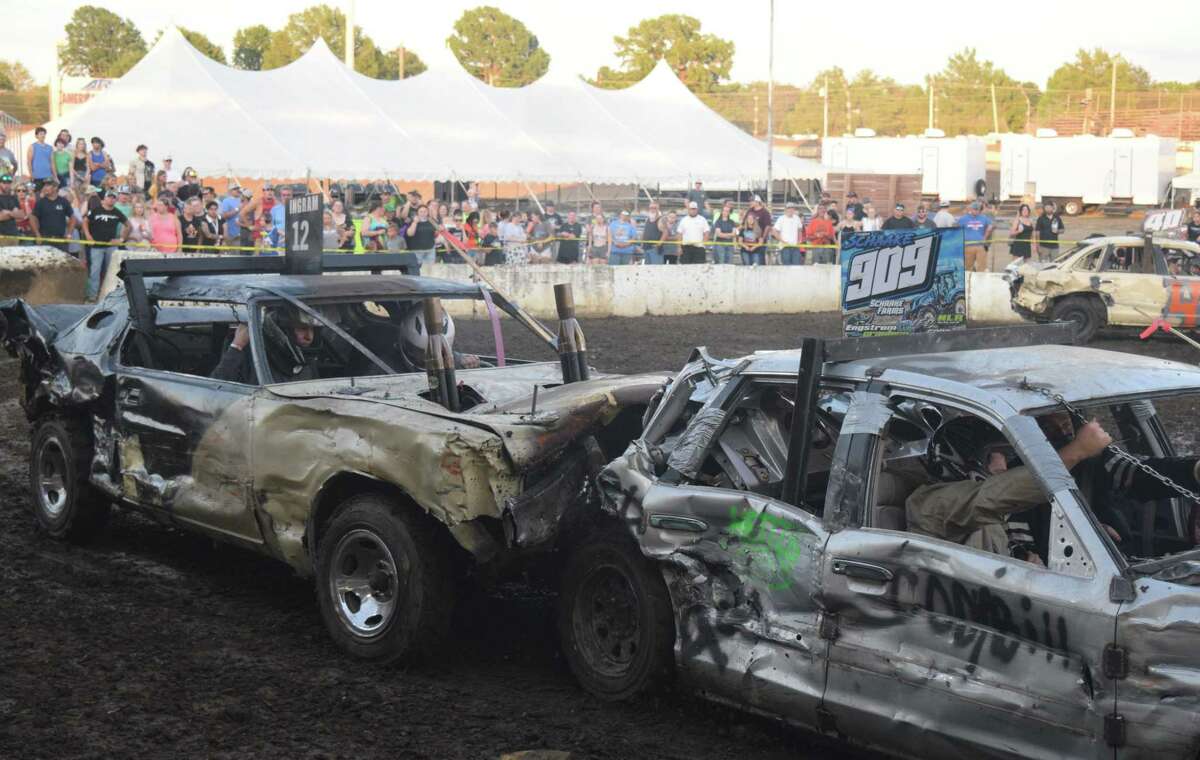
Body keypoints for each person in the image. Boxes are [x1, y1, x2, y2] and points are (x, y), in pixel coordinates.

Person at [907, 412, 1200, 563]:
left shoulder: (1035, 485)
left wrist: (1193, 470)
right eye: (994, 457)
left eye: (1008, 456)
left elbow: (1135, 473)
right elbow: (994, 497)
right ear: (959, 461)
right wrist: (1076, 451)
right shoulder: (929, 504)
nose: (1005, 466)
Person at [211, 305, 321, 384]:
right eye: (302, 329)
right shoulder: (253, 351)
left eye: (312, 329)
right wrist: (237, 346)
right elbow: (215, 387)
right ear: (284, 329)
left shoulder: (306, 358)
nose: (309, 336)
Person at [82, 190, 129, 299]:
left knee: (112, 271)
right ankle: (92, 296)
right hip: (96, 246)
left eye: (113, 197)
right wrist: (88, 236)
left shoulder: (117, 212)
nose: (111, 199)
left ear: (116, 199)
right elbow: (85, 221)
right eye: (109, 197)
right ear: (104, 198)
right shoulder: (95, 209)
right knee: (95, 271)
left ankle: (110, 295)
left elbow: (128, 225)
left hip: (111, 246)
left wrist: (121, 239)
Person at [29, 180, 74, 252]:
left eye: (48, 185)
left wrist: (69, 234)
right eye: (44, 185)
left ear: (55, 187)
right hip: (45, 240)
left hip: (61, 240)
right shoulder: (40, 202)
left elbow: (72, 217)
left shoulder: (64, 202)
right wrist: (37, 234)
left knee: (61, 262)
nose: (44, 188)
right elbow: (32, 217)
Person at [957, 201, 994, 273]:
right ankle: (968, 282)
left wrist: (985, 237)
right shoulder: (964, 218)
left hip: (980, 245)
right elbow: (958, 229)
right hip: (968, 245)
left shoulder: (984, 218)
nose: (976, 211)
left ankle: (980, 283)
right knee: (968, 267)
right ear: (971, 209)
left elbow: (991, 226)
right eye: (975, 209)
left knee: (982, 267)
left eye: (978, 210)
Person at [0, 173, 26, 246]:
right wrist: (14, 213)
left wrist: (8, 212)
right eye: (4, 183)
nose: (7, 185)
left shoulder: (13, 197)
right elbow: (1, 217)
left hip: (13, 234)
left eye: (9, 183)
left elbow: (22, 215)